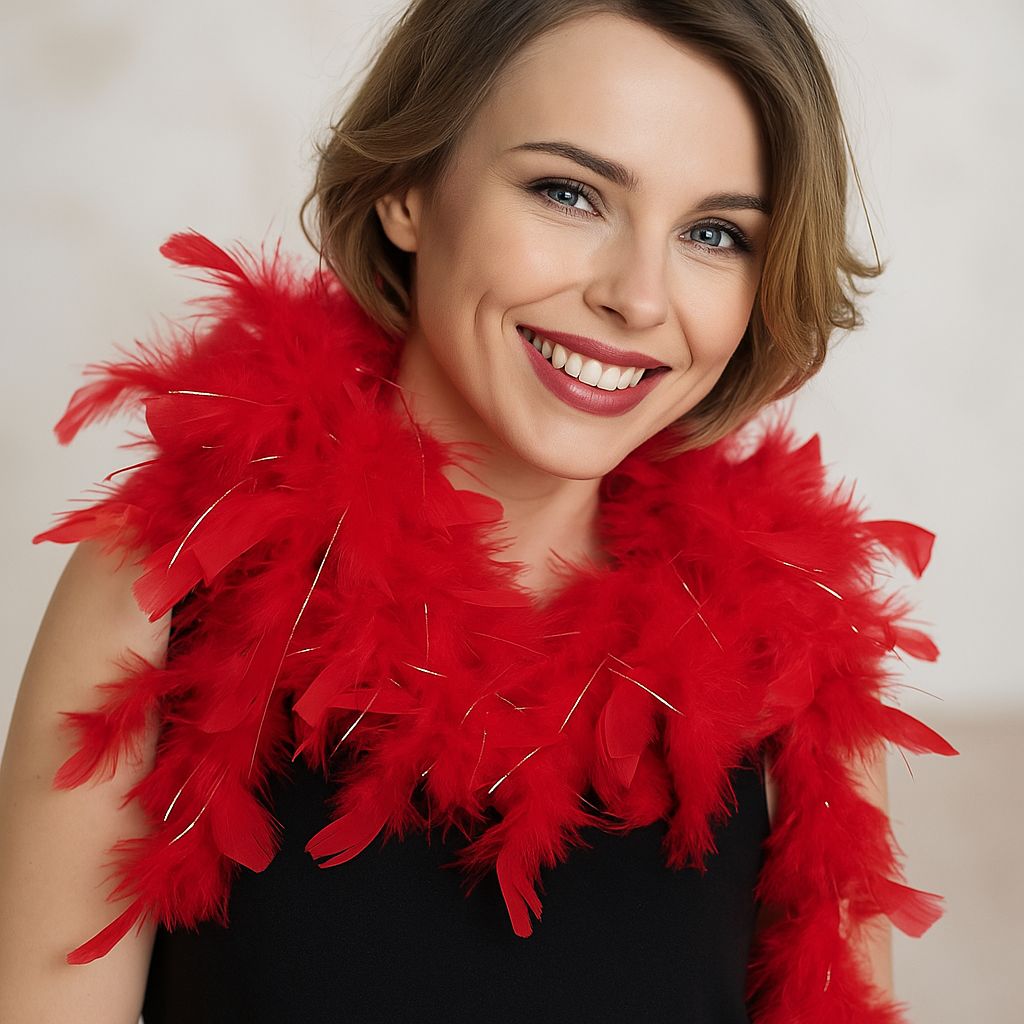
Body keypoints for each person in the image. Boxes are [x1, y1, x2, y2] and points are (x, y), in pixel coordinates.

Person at [0, 2, 957, 1021]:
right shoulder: (160, 583)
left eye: (713, 233)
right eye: (568, 193)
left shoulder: (795, 662)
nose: (639, 297)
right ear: (407, 189)